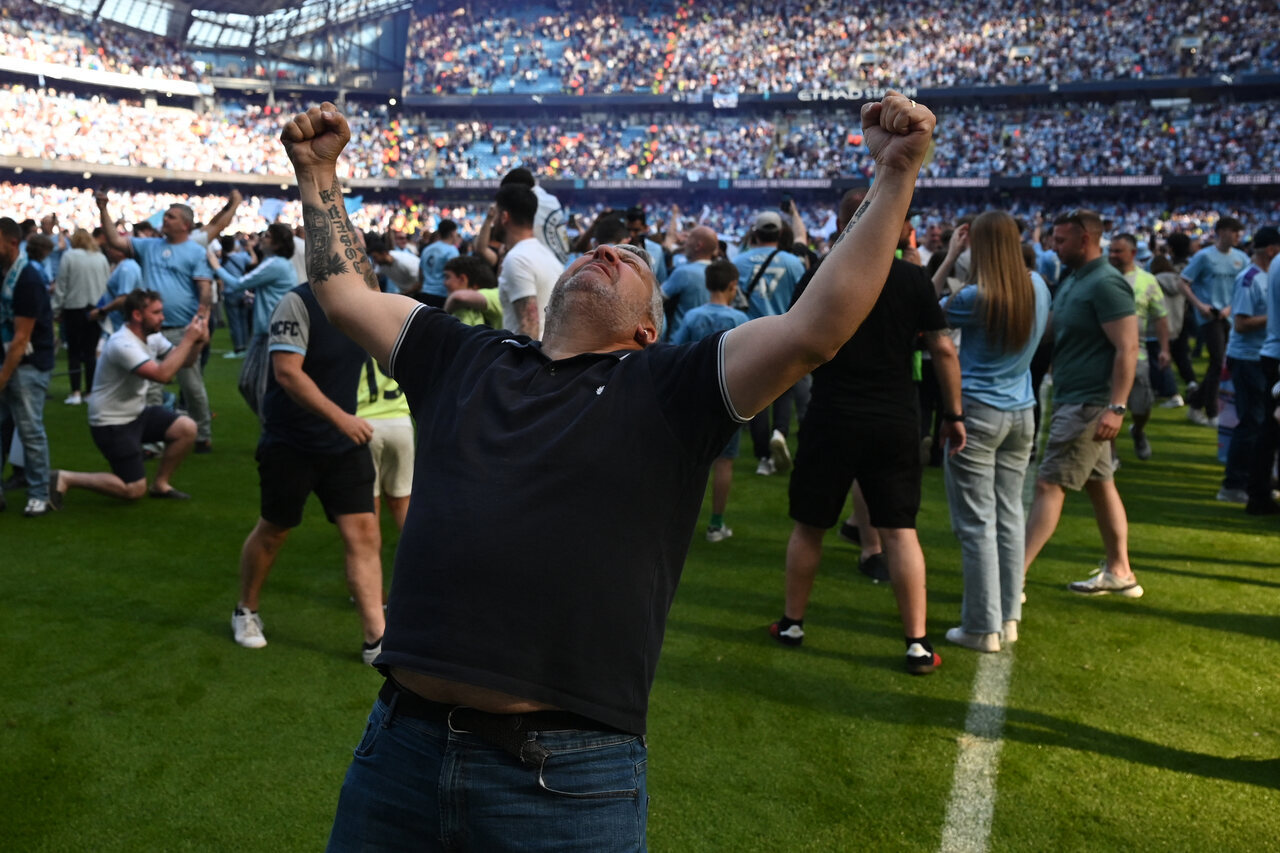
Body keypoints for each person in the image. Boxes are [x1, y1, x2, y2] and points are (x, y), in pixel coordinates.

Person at [276, 94, 934, 850]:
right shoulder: (462, 355)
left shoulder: (671, 387)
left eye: (633, 263)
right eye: (598, 248)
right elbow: (344, 292)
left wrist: (895, 174)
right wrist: (319, 174)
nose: (609, 250)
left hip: (563, 778)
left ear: (646, 328)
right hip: (399, 747)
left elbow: (815, 330)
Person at [770, 194, 964, 675]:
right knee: (900, 531)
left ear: (839, 222)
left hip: (833, 414)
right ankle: (917, 643)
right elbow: (943, 350)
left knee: (810, 524)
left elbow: (793, 338)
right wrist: (953, 415)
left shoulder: (822, 273)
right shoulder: (913, 278)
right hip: (894, 417)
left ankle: (792, 623)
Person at [230, 282, 386, 664]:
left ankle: (376, 639)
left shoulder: (364, 301)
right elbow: (287, 373)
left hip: (343, 444)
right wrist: (342, 419)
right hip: (292, 443)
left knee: (363, 533)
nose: (358, 263)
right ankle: (246, 611)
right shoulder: (296, 302)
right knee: (274, 529)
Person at [935, 211, 1049, 652]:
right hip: (1022, 412)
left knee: (977, 523)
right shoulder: (1037, 285)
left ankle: (983, 626)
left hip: (978, 413)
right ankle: (1008, 617)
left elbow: (924, 311)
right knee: (1009, 516)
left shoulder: (974, 297)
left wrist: (949, 258)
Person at [1023, 209, 1142, 598]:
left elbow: (1127, 347)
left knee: (1049, 485)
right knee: (1100, 485)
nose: (1053, 246)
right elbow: (1049, 330)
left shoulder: (1107, 283)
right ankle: (1120, 571)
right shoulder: (1076, 279)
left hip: (1089, 404)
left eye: (1060, 240)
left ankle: (1013, 574)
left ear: (1085, 240)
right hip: (1075, 398)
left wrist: (1117, 407)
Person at [50, 289, 206, 506]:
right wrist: (189, 339)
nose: (163, 317)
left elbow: (185, 362)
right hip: (111, 423)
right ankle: (66, 477)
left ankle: (160, 484)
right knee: (133, 490)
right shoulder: (122, 344)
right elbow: (163, 375)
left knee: (187, 428)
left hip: (136, 414)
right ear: (137, 315)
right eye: (157, 312)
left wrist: (197, 342)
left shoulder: (153, 336)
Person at [96, 192, 216, 451]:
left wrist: (201, 320)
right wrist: (103, 208)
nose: (165, 219)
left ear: (185, 224)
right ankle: (154, 440)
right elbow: (116, 240)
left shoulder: (196, 251)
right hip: (148, 331)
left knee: (191, 385)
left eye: (171, 216)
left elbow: (205, 289)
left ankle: (202, 433)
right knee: (149, 388)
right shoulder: (149, 245)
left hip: (181, 328)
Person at [671, 259, 750, 541]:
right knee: (724, 462)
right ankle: (716, 523)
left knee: (688, 459)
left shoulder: (692, 316)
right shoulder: (740, 320)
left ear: (707, 284)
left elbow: (677, 348)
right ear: (732, 285)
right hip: (727, 397)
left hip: (693, 395)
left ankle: (676, 520)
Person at [733, 210, 807, 476]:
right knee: (784, 390)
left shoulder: (738, 261)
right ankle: (780, 432)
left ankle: (764, 456)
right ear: (779, 234)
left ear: (755, 233)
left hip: (751, 334)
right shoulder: (793, 263)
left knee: (758, 398)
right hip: (785, 333)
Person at [205, 223, 299, 416]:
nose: (262, 238)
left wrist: (215, 265)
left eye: (267, 235)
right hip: (267, 330)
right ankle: (274, 428)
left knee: (258, 387)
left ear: (277, 244)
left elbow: (239, 283)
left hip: (269, 332)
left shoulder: (275, 264)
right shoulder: (277, 263)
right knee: (251, 384)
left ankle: (273, 432)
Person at [0, 218, 57, 516]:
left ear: (11, 242)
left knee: (29, 429)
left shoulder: (27, 279)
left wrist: (3, 377)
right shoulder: (8, 273)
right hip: (10, 358)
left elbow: (22, 338)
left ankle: (39, 494)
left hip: (28, 364)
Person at [1219, 227, 1279, 504]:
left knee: (1261, 422)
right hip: (1248, 357)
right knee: (1252, 422)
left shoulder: (1268, 274)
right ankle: (1234, 483)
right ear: (1270, 249)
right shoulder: (1250, 278)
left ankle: (1255, 481)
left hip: (1258, 355)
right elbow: (1241, 324)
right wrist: (1274, 317)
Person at [1180, 217, 1249, 426]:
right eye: (1234, 232)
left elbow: (1243, 287)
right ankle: (1211, 412)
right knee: (1218, 361)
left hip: (1231, 315)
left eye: (1240, 232)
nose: (1238, 236)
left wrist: (1232, 307)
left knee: (1223, 363)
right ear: (1222, 232)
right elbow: (1183, 282)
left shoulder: (1241, 258)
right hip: (1209, 317)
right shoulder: (1204, 256)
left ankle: (1195, 403)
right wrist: (1200, 305)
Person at [1108, 233, 1170, 461]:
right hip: (1106, 351)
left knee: (1141, 404)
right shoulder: (1103, 278)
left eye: (1118, 251)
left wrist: (1164, 349)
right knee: (1108, 402)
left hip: (1138, 352)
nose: (1112, 255)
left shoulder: (1147, 281)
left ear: (1133, 253)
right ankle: (1111, 452)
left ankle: (1138, 429)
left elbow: (1160, 317)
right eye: (1111, 251)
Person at [493, 184, 564, 339]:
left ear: (504, 217)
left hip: (529, 358)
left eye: (495, 215)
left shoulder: (517, 260)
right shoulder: (548, 256)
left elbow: (530, 327)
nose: (494, 222)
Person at [52, 228, 111, 405]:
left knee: (74, 352)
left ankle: (75, 391)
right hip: (95, 309)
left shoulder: (69, 256)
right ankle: (90, 392)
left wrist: (56, 309)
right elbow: (107, 284)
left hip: (74, 308)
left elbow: (62, 284)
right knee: (90, 353)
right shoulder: (100, 258)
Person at [1249, 233, 1280, 516]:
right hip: (1277, 353)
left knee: (1269, 432)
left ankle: (1258, 494)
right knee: (1269, 431)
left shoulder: (1277, 262)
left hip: (1272, 351)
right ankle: (1258, 493)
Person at [500, 167, 570, 264]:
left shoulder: (530, 203)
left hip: (546, 266)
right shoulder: (551, 200)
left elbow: (522, 238)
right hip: (561, 262)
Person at [660, 225, 717, 341]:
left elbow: (656, 298)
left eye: (689, 238)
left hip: (679, 344)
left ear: (698, 245)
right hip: (707, 343)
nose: (685, 243)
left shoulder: (684, 272)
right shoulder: (719, 272)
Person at [441, 255, 503, 327]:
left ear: (462, 279)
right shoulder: (459, 307)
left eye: (447, 277)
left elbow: (458, 297)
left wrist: (444, 318)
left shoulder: (463, 310)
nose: (444, 283)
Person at [418, 219, 461, 300]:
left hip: (425, 292)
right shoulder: (452, 250)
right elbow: (454, 274)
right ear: (452, 233)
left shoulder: (427, 249)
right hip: (442, 294)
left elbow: (420, 272)